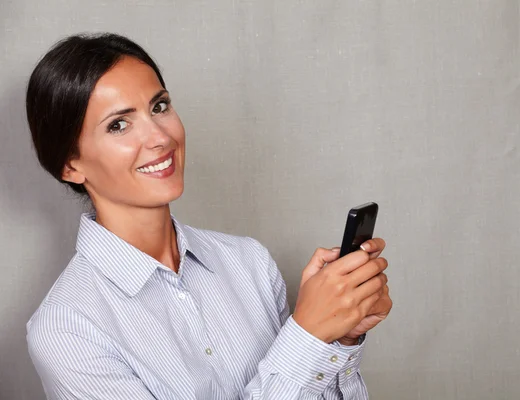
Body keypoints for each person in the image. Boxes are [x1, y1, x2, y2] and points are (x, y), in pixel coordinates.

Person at [25, 32, 392, 399]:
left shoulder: (250, 262)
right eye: (119, 124)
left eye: (159, 107)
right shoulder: (66, 329)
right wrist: (308, 334)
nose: (159, 138)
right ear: (70, 165)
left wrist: (339, 336)